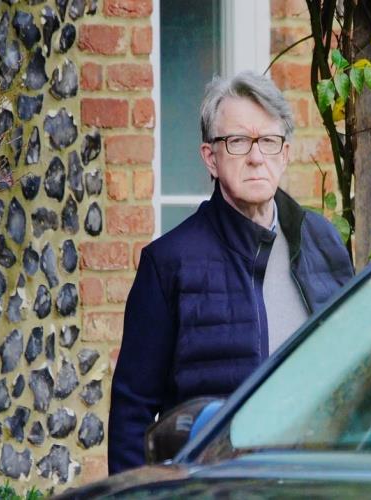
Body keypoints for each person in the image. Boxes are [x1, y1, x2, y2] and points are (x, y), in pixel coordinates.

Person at [108, 71, 354, 474]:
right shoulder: (169, 263)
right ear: (211, 157)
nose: (256, 157)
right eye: (238, 141)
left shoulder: (322, 242)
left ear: (285, 153)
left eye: (268, 141)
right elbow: (132, 413)